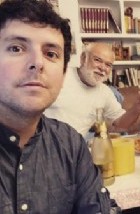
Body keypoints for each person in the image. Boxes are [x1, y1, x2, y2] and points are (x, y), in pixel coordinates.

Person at [0, 0, 115, 213]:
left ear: (62, 75)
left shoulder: (71, 144)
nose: (38, 62)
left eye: (51, 53)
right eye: (16, 48)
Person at [45, 42, 140, 137]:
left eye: (108, 65)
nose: (103, 68)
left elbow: (120, 125)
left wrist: (137, 108)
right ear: (83, 58)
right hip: (41, 145)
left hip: (73, 151)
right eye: (98, 60)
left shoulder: (105, 93)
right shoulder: (59, 75)